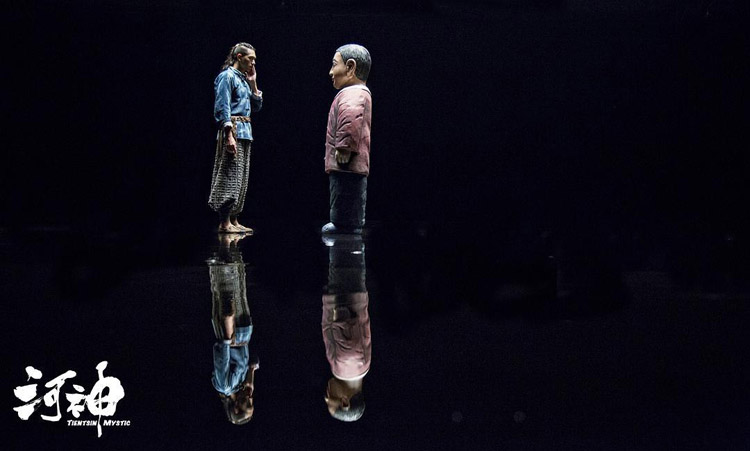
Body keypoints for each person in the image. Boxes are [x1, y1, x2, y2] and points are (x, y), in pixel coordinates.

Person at [209, 43, 263, 234]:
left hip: (245, 132)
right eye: (250, 58)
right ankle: (224, 222)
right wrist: (228, 134)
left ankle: (234, 218)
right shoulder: (227, 76)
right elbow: (222, 106)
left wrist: (253, 83)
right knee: (229, 175)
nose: (253, 62)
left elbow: (256, 107)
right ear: (239, 57)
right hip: (233, 130)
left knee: (241, 177)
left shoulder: (244, 79)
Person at [322, 44, 372, 234]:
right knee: (343, 192)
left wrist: (344, 146)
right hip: (347, 165)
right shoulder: (354, 92)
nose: (330, 71)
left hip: (347, 163)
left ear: (350, 67)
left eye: (334, 65)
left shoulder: (354, 93)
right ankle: (345, 223)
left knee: (346, 192)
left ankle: (346, 225)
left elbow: (351, 118)